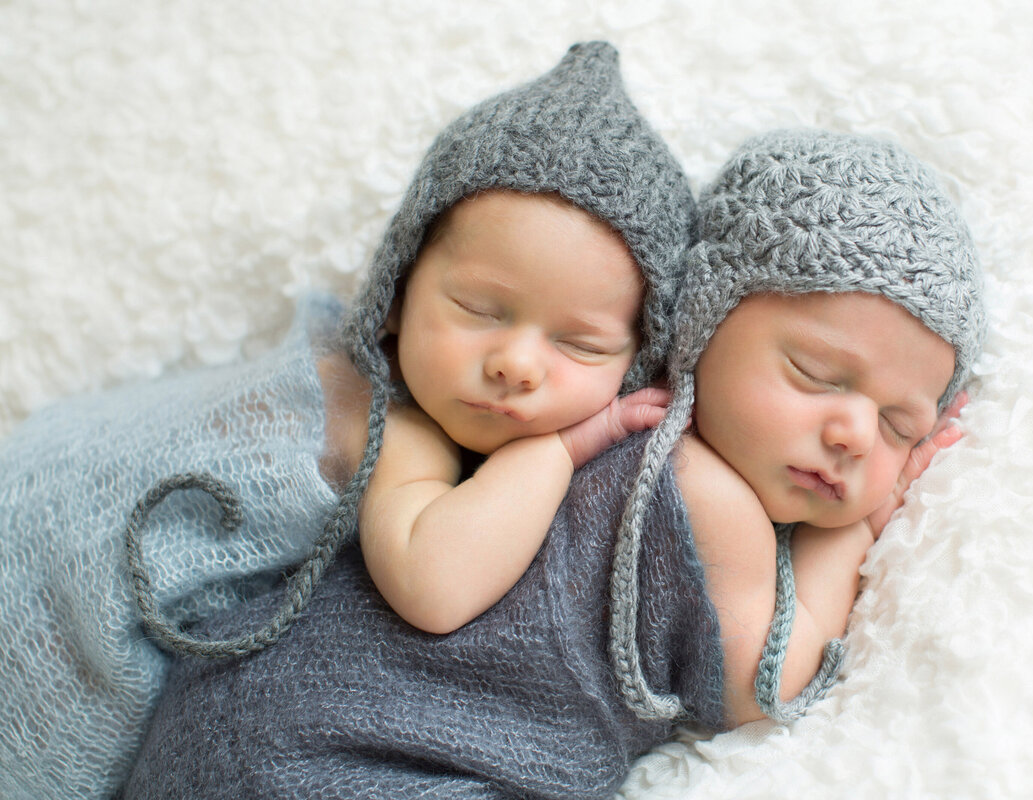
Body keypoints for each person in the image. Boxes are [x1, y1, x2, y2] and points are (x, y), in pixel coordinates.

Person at [121, 129, 985, 798]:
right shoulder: (695, 491)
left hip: (228, 720)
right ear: (700, 325)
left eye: (900, 425)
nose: (851, 434)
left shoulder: (570, 427)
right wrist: (861, 529)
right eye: (815, 374)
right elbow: (767, 679)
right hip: (363, 760)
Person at [0, 41, 695, 799]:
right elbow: (434, 582)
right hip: (42, 562)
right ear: (395, 296)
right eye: (478, 310)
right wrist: (560, 448)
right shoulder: (387, 418)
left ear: (638, 364)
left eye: (578, 343)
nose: (517, 363)